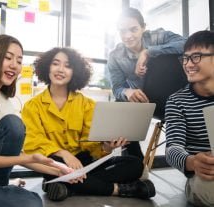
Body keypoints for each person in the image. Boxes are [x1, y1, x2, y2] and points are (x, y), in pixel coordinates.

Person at [22, 47, 156, 202]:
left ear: (75, 72)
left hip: (84, 162)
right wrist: (64, 154)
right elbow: (33, 142)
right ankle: (119, 189)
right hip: (55, 163)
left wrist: (107, 147)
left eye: (67, 66)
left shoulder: (87, 104)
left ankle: (66, 186)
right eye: (55, 64)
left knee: (135, 165)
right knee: (53, 168)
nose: (60, 69)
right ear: (47, 67)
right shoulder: (32, 106)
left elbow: (91, 147)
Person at [0, 34, 74, 207]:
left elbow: (16, 155)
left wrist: (59, 171)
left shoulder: (6, 103)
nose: (14, 65)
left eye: (19, 61)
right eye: (8, 58)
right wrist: (26, 160)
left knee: (32, 201)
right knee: (32, 202)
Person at [106, 7, 186, 160]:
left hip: (174, 98)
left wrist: (148, 52)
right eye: (122, 31)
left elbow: (187, 44)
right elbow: (117, 88)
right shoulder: (115, 56)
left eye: (133, 29)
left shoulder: (158, 37)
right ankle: (135, 163)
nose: (128, 36)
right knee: (121, 103)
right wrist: (127, 92)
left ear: (143, 28)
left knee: (163, 58)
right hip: (147, 103)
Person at [165, 30, 214, 206]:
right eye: (185, 58)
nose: (188, 64)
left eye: (196, 57)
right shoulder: (177, 101)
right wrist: (192, 162)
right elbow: (172, 149)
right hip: (204, 178)